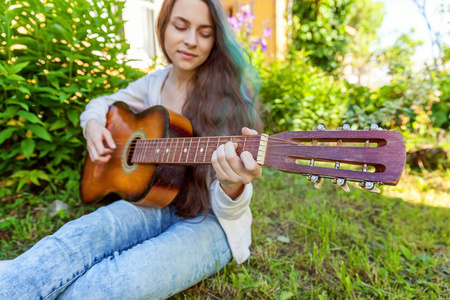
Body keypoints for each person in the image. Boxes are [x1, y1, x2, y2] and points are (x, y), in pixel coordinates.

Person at [0, 0, 263, 298]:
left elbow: (232, 207)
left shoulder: (233, 98)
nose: (190, 40)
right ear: (163, 26)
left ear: (217, 39)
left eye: (205, 33)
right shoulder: (154, 83)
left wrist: (232, 184)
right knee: (69, 243)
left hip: (210, 221)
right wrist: (93, 127)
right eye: (180, 26)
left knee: (110, 285)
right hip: (153, 203)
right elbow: (100, 105)